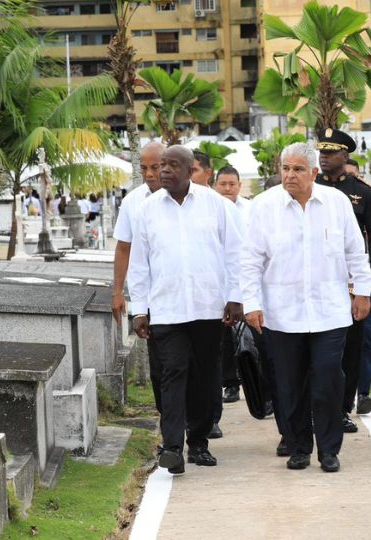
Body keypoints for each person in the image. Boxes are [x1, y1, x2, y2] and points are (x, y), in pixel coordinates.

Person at [241, 142, 371, 473]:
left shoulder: (336, 203)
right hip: (282, 314)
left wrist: (362, 292)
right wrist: (252, 303)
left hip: (329, 311)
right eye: (285, 168)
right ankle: (299, 445)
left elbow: (355, 251)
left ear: (314, 173)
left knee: (328, 378)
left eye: (298, 169)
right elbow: (250, 261)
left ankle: (329, 449)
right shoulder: (262, 207)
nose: (290, 175)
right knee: (289, 383)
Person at [128, 145, 244, 475]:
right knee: (172, 373)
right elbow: (139, 266)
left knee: (206, 379)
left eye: (172, 165)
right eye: (161, 165)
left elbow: (235, 253)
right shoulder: (147, 210)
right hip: (166, 310)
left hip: (209, 308)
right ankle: (173, 447)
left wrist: (235, 298)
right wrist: (140, 310)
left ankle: (199, 442)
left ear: (189, 169)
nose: (163, 171)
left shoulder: (215, 205)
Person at [315, 128, 371, 432]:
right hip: (318, 279)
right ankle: (315, 406)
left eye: (331, 152)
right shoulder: (309, 186)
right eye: (322, 152)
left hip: (352, 282)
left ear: (345, 156)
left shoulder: (362, 192)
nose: (324, 157)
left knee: (353, 347)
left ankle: (343, 407)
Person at [112, 141, 165, 419]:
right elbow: (123, 248)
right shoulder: (133, 201)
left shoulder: (195, 199)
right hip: (151, 299)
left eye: (155, 167)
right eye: (144, 168)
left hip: (189, 298)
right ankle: (169, 422)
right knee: (160, 366)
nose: (149, 174)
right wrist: (118, 292)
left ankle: (200, 425)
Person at [343, 157, 371, 411]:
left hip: (361, 279)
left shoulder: (364, 194)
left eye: (353, 174)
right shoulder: (318, 189)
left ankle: (362, 393)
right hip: (333, 279)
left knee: (364, 338)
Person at [213, 165, 249, 404]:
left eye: (232, 184)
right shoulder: (210, 209)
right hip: (221, 284)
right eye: (223, 184)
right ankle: (231, 383)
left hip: (248, 281)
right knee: (226, 339)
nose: (227, 189)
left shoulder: (251, 209)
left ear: (239, 185)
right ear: (216, 185)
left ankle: (258, 386)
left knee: (252, 338)